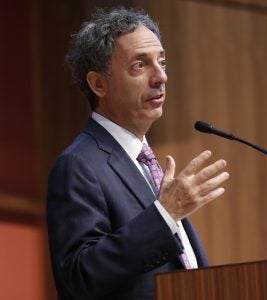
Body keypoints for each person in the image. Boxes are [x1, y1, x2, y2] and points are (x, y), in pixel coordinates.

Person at [47, 7, 229, 300]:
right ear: (98, 84)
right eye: (139, 66)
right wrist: (166, 214)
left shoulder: (142, 161)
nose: (161, 77)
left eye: (162, 62)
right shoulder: (79, 165)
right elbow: (78, 276)